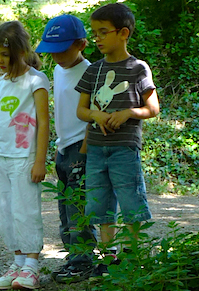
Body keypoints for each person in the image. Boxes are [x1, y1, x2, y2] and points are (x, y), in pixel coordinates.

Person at [75, 2, 160, 277]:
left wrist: (127, 113)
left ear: (123, 33)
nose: (96, 38)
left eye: (103, 32)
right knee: (99, 203)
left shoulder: (138, 68)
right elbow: (81, 110)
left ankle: (135, 255)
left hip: (125, 148)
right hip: (98, 149)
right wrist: (96, 117)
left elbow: (153, 108)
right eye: (94, 33)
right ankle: (108, 256)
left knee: (130, 199)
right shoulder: (93, 70)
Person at [0, 21, 51, 291]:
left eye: (5, 54)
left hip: (25, 157)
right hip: (1, 157)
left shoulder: (36, 80)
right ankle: (18, 262)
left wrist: (40, 160)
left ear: (20, 52)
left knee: (25, 210)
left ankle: (32, 266)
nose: (0, 60)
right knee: (7, 212)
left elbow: (44, 122)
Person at [35, 15, 98, 283]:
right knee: (64, 206)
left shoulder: (91, 72)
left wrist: (84, 149)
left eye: (62, 49)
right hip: (63, 148)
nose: (57, 56)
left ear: (81, 44)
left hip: (81, 148)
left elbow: (94, 114)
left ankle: (84, 259)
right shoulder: (59, 70)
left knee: (78, 207)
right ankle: (73, 255)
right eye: (52, 51)